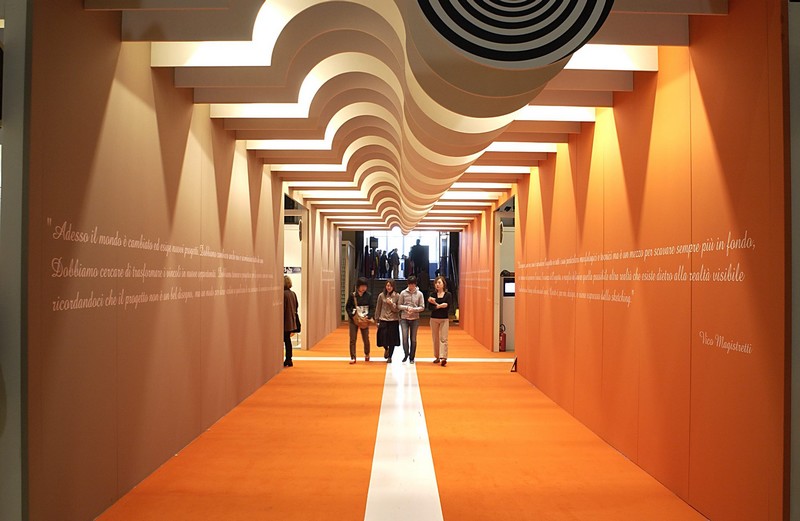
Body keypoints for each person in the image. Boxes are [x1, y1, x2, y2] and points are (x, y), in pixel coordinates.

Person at [345, 277, 374, 364]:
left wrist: (369, 316)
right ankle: (353, 356)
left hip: (364, 319)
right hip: (354, 319)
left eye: (365, 286)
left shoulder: (368, 296)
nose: (364, 288)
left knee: (366, 338)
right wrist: (352, 315)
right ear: (358, 286)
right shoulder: (353, 295)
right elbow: (348, 307)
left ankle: (367, 353)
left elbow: (372, 307)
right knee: (352, 338)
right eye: (362, 286)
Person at [398, 275, 425, 363]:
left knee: (413, 339)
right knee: (404, 337)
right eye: (410, 284)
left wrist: (414, 309)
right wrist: (406, 308)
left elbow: (422, 307)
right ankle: (406, 354)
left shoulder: (419, 294)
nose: (411, 286)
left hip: (415, 318)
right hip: (404, 318)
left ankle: (412, 357)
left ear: (415, 284)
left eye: (413, 285)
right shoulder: (403, 293)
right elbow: (399, 305)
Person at [428, 275, 453, 367]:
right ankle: (437, 356)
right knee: (435, 338)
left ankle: (443, 357)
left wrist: (441, 306)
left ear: (443, 284)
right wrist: (438, 306)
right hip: (434, 319)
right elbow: (430, 307)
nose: (437, 285)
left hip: (444, 319)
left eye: (439, 283)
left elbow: (448, 307)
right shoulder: (433, 295)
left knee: (443, 338)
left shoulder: (448, 295)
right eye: (436, 283)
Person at [375, 279, 401, 363]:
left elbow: (397, 309)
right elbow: (378, 308)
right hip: (383, 318)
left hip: (393, 319)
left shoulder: (397, 296)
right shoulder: (381, 295)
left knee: (392, 340)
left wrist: (391, 304)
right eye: (387, 285)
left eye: (390, 286)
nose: (389, 287)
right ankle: (386, 348)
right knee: (382, 337)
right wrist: (377, 319)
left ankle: (390, 356)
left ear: (393, 287)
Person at [283, 275, 299, 367]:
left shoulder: (283, 294)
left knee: (286, 340)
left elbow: (283, 309)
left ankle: (288, 359)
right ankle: (289, 359)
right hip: (291, 320)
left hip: (285, 321)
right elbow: (296, 306)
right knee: (287, 340)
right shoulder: (293, 294)